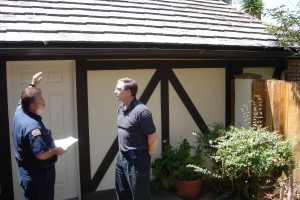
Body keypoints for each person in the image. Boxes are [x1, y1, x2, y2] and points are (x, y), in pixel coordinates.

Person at [12, 72, 65, 200]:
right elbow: (41, 154)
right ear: (32, 105)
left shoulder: (20, 111)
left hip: (26, 171)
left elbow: (21, 100)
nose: (44, 103)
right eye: (42, 102)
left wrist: (33, 84)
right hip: (37, 174)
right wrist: (57, 151)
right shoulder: (32, 127)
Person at [114, 77, 159, 200]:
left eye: (118, 89)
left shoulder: (141, 111)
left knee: (140, 196)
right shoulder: (121, 109)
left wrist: (147, 154)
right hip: (121, 158)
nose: (115, 91)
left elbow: (154, 137)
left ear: (129, 92)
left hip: (137, 160)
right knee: (122, 193)